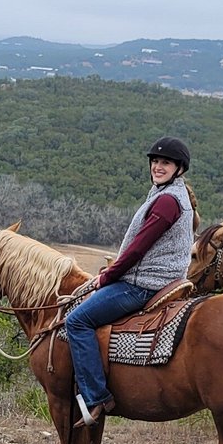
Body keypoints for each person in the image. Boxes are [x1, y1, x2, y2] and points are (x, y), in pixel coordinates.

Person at [65, 136, 198, 428]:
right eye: (155, 161)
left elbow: (138, 248)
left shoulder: (167, 201)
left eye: (165, 162)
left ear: (179, 169)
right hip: (159, 279)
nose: (158, 166)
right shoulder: (170, 195)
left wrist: (108, 275)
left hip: (142, 284)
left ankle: (96, 397)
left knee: (76, 321)